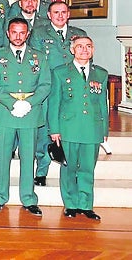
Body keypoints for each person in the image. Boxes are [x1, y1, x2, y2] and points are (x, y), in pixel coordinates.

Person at [0, 18, 51, 216]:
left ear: (28, 34)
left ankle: (29, 198)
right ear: (8, 33)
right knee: (3, 157)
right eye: (14, 32)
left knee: (28, 156)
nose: (18, 36)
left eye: (22, 32)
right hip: (6, 112)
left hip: (30, 114)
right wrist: (13, 103)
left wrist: (28, 104)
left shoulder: (39, 57)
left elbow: (45, 85)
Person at [48, 36, 107, 221]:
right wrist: (54, 129)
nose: (84, 50)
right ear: (72, 50)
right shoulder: (60, 72)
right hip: (68, 128)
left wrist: (104, 130)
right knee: (69, 168)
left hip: (91, 127)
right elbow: (54, 102)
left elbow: (102, 105)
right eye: (80, 46)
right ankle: (71, 204)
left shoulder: (101, 74)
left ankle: (86, 205)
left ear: (93, 49)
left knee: (88, 168)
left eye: (88, 46)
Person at [29, 1, 87, 187]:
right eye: (56, 12)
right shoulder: (39, 33)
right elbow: (34, 61)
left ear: (68, 14)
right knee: (44, 130)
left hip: (72, 91)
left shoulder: (79, 35)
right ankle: (41, 171)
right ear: (49, 14)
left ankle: (73, 169)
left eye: (63, 12)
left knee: (72, 129)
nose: (60, 16)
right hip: (48, 88)